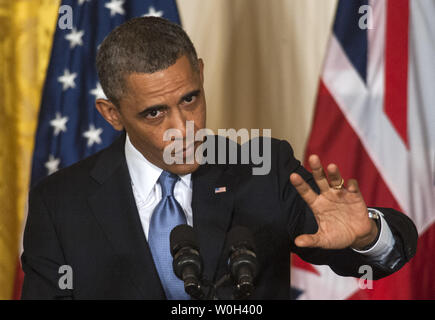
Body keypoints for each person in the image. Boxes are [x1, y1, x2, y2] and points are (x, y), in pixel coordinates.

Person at [21, 17, 417, 300]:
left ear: (201, 75)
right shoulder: (59, 203)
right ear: (111, 114)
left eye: (190, 99)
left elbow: (372, 255)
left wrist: (368, 236)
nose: (183, 127)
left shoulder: (263, 167)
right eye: (155, 112)